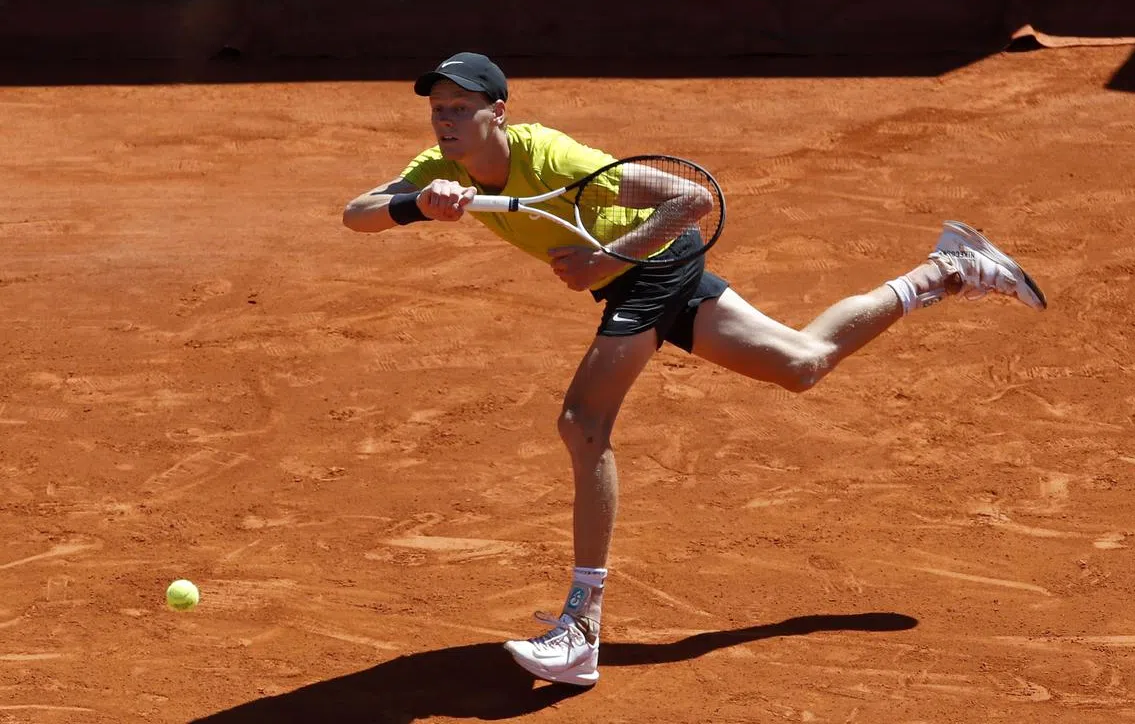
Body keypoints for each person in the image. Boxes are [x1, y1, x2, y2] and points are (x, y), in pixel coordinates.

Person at [342, 52, 1047, 687]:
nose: (445, 120)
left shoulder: (554, 157)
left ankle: (581, 631)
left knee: (582, 422)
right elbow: (357, 214)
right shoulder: (439, 168)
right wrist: (419, 207)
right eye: (438, 110)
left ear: (499, 113)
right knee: (803, 363)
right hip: (633, 277)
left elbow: (689, 201)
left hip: (650, 262)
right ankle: (948, 270)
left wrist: (605, 259)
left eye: (460, 108)